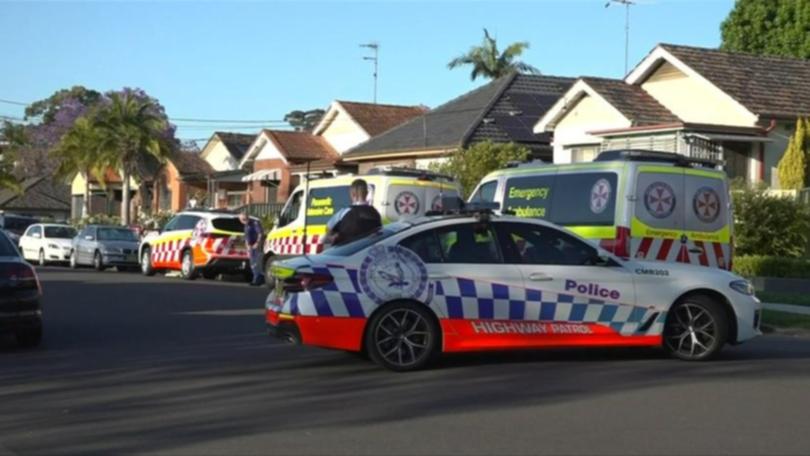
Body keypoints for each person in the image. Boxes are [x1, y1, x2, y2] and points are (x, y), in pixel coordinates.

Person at [326, 178, 382, 246]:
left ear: (352, 194)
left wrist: (332, 237)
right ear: (367, 193)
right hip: (368, 252)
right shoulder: (375, 213)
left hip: (347, 252)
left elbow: (328, 230)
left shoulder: (344, 213)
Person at [240, 212, 265, 286]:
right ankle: (256, 279)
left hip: (257, 246)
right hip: (250, 247)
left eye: (246, 218)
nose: (245, 220)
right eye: (243, 219)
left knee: (256, 263)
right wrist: (247, 246)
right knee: (252, 264)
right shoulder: (246, 226)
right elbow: (247, 237)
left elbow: (260, 233)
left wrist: (257, 243)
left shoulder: (255, 223)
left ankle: (257, 280)